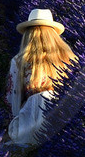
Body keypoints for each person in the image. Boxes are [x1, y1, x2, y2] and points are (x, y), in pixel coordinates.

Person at [5, 8, 76, 148]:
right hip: (61, 123)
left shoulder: (20, 62)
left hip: (30, 122)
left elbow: (12, 101)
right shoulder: (69, 59)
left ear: (28, 34)